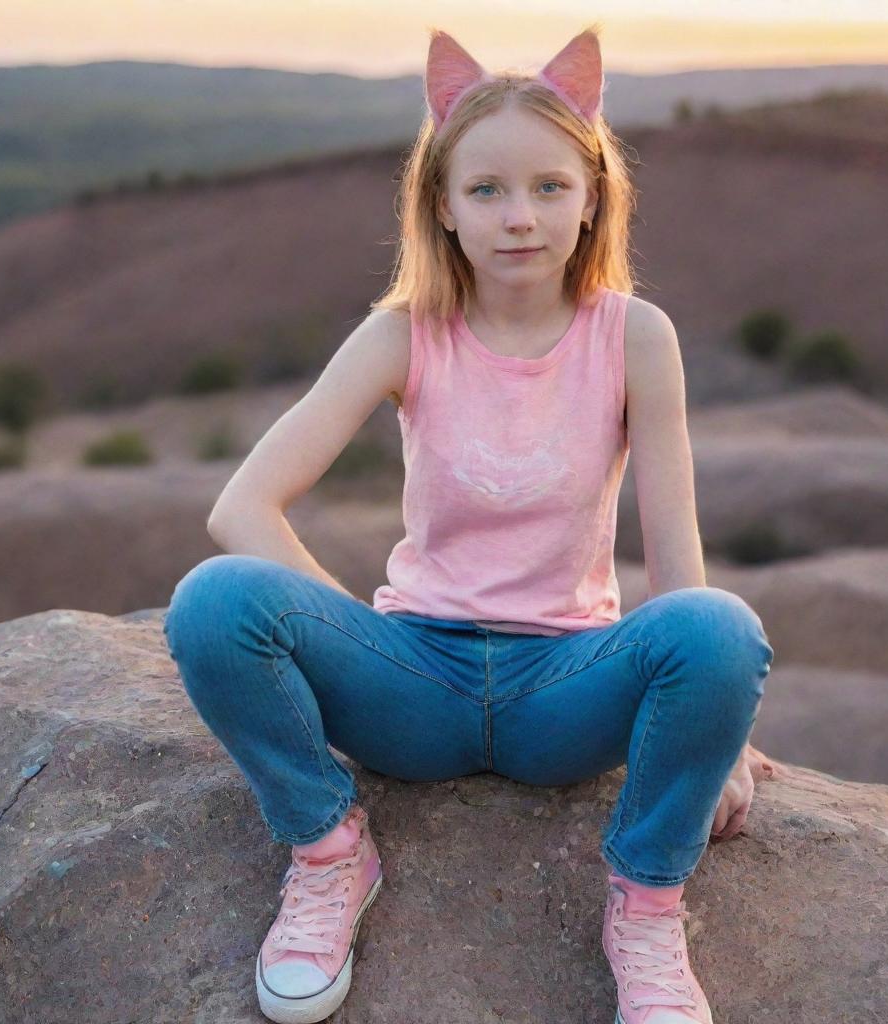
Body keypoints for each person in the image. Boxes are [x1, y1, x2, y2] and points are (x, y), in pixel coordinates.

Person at [162, 23, 777, 1024]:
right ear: (441, 208)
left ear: (591, 201)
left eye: (547, 186)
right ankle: (326, 849)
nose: (519, 216)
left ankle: (646, 906)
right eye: (485, 189)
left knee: (719, 630)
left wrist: (722, 727)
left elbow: (676, 556)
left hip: (565, 694)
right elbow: (241, 507)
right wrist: (343, 644)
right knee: (214, 601)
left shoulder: (636, 336)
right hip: (414, 685)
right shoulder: (403, 334)